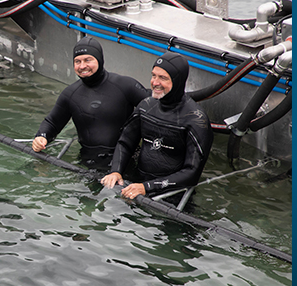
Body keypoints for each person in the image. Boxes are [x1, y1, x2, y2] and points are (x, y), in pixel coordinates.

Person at [100, 52, 214, 200]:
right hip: (135, 186)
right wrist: (116, 171)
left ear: (178, 81)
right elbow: (125, 143)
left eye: (163, 78)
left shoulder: (196, 120)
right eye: (154, 75)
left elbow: (191, 173)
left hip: (172, 195)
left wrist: (147, 187)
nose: (155, 82)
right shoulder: (146, 106)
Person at [31, 36, 149, 170]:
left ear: (99, 60)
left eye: (88, 60)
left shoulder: (125, 85)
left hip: (125, 159)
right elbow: (52, 122)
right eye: (77, 61)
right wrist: (41, 137)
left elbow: (154, 107)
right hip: (89, 162)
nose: (82, 66)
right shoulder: (70, 94)